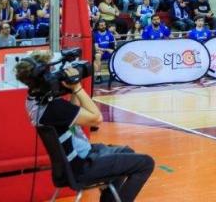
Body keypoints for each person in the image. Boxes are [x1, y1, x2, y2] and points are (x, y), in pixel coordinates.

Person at [14, 51, 155, 201]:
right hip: (82, 167)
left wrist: (71, 89)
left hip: (71, 164)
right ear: (43, 77)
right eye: (50, 71)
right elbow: (96, 118)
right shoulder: (53, 108)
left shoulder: (34, 101)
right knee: (146, 163)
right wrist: (77, 88)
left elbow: (73, 116)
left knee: (127, 152)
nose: (54, 75)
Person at [93, 19, 116, 83]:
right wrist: (105, 49)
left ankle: (113, 74)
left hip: (108, 53)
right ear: (98, 26)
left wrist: (109, 50)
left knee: (114, 53)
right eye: (101, 25)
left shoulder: (110, 34)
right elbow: (97, 48)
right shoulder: (95, 35)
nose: (103, 26)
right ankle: (99, 77)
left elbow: (112, 47)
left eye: (104, 25)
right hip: (101, 52)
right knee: (97, 55)